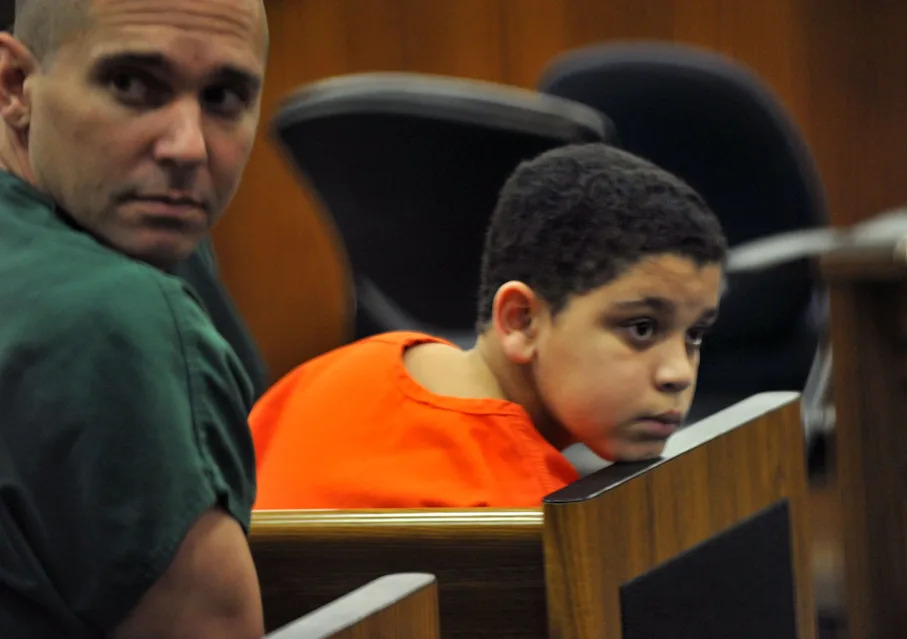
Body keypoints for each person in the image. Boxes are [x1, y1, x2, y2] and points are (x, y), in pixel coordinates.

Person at [252, 143, 727, 509]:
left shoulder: (327, 376)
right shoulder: (533, 524)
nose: (678, 373)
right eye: (641, 328)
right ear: (521, 321)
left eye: (695, 335)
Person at [0, 0, 269, 637]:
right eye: (130, 85)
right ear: (14, 85)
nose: (188, 147)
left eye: (224, 96)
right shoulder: (118, 322)